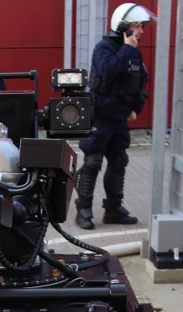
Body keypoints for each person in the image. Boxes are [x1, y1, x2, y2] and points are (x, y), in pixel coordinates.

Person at [73, 4, 153, 231]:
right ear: (123, 26)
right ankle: (84, 209)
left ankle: (113, 209)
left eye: (141, 27)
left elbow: (140, 80)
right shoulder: (104, 48)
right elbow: (108, 70)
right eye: (137, 26)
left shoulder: (133, 50)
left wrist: (136, 106)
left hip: (119, 118)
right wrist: (127, 49)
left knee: (119, 161)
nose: (141, 31)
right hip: (100, 115)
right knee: (92, 161)